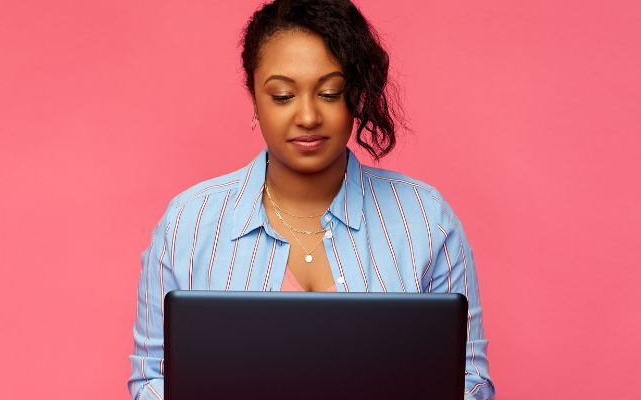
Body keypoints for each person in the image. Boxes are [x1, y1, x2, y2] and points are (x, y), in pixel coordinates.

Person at [128, 1, 494, 398]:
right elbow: (152, 381)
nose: (307, 116)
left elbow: (469, 383)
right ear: (254, 98)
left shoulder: (426, 220)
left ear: (355, 96)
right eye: (283, 95)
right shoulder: (188, 223)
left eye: (329, 93)